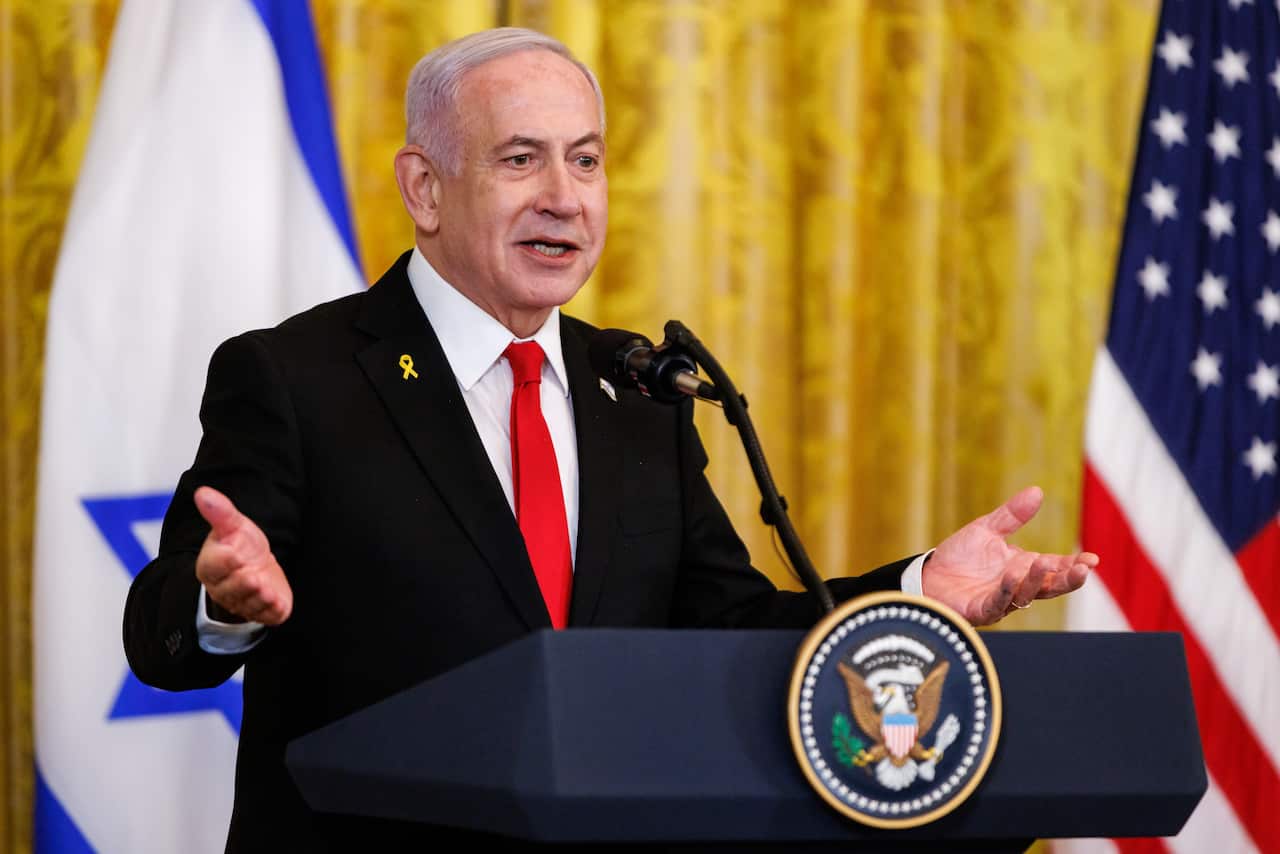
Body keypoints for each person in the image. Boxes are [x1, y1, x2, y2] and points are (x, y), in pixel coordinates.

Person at [123, 27, 1096, 853]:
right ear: (423, 188)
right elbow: (159, 636)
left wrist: (918, 589)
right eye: (520, 159)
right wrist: (221, 602)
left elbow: (728, 632)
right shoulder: (297, 376)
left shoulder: (636, 389)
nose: (564, 196)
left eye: (585, 160)